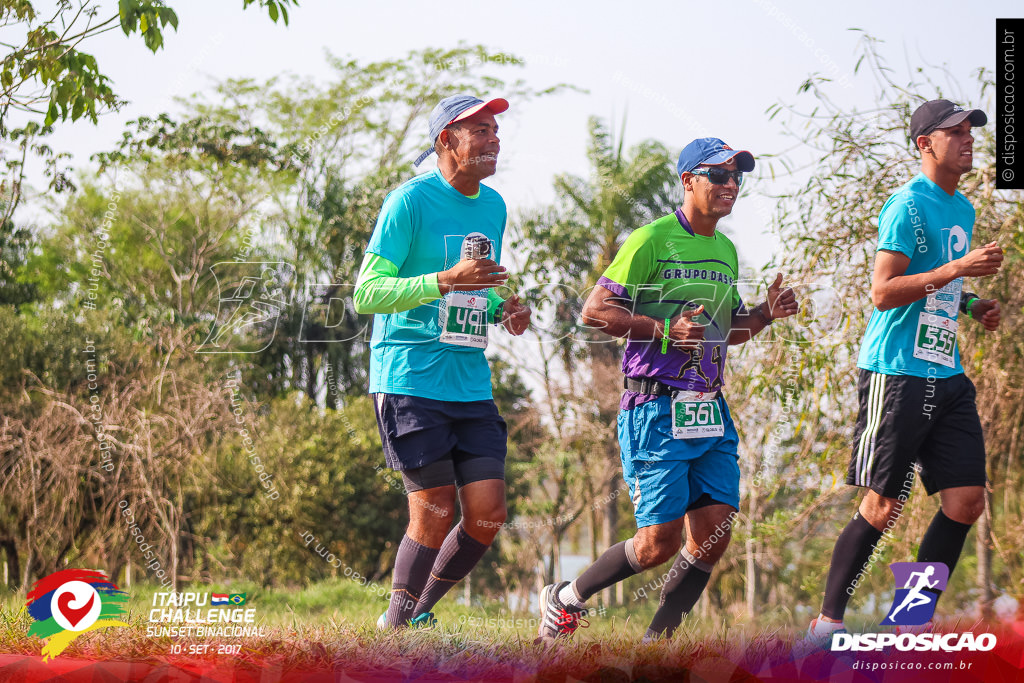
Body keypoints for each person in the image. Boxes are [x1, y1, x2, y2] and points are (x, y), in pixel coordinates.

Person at [536, 137, 799, 642]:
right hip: (654, 407)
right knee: (658, 542)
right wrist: (662, 330)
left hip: (709, 408)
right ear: (688, 182)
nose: (731, 185)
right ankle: (566, 599)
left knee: (715, 532)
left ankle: (655, 646)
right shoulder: (651, 239)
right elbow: (594, 312)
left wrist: (765, 313)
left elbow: (727, 331)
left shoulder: (725, 250)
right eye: (718, 175)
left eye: (736, 176)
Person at [804, 99, 1002, 645]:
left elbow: (938, 283)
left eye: (971, 132)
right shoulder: (906, 205)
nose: (968, 140)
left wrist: (972, 304)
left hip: (947, 372)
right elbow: (884, 291)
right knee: (883, 504)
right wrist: (958, 268)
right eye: (955, 133)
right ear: (925, 144)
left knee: (966, 501)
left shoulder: (960, 208)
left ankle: (906, 624)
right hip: (897, 372)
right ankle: (824, 628)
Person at [353, 93, 531, 630]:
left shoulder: (494, 206)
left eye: (495, 129)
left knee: (487, 515)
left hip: (470, 380)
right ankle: (396, 624)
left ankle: (416, 612)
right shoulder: (408, 203)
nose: (493, 138)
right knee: (434, 512)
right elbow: (367, 292)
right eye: (479, 130)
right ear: (444, 143)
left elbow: (480, 286)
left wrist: (505, 309)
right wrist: (442, 279)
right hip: (410, 376)